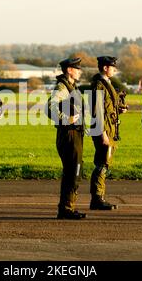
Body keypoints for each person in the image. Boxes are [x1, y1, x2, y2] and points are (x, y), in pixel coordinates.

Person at [47, 57, 86, 220]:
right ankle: (66, 209)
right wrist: (65, 119)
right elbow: (50, 107)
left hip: (75, 134)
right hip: (69, 135)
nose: (80, 71)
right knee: (72, 171)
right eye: (77, 69)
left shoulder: (71, 87)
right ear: (69, 70)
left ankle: (68, 207)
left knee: (75, 171)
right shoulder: (62, 87)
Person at [89, 56, 126, 210]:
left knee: (105, 163)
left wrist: (119, 110)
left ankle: (99, 197)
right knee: (102, 164)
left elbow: (108, 107)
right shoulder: (99, 85)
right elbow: (97, 110)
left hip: (110, 128)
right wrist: (102, 132)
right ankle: (97, 199)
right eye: (112, 67)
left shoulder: (106, 83)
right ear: (105, 68)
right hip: (103, 130)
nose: (114, 69)